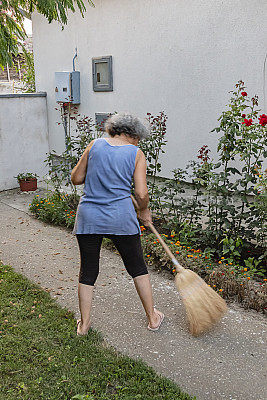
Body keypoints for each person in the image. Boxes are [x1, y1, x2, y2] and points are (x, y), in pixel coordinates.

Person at [71, 112, 164, 336]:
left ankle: (84, 325)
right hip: (120, 217)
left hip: (89, 216)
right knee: (137, 267)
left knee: (88, 269)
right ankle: (152, 318)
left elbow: (76, 178)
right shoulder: (136, 153)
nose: (138, 142)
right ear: (131, 134)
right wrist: (144, 210)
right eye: (138, 138)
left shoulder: (94, 145)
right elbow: (141, 193)